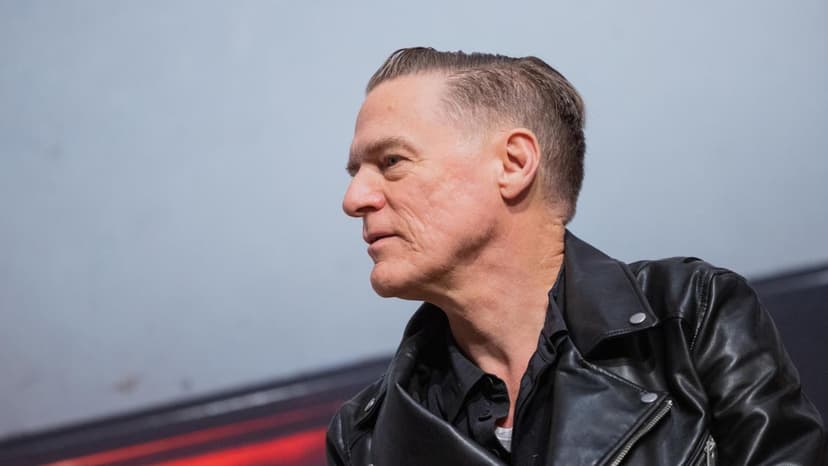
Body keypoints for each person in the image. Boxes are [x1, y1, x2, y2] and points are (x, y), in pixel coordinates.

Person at [326, 47, 826, 465]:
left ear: (514, 164)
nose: (354, 199)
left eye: (391, 161)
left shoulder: (690, 321)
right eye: (355, 172)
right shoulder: (363, 439)